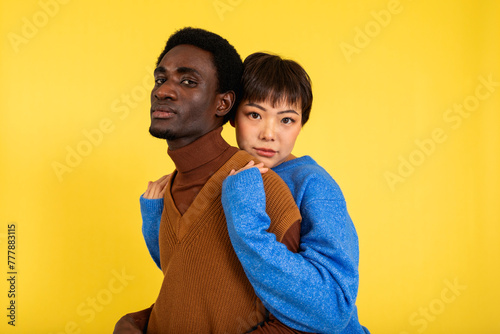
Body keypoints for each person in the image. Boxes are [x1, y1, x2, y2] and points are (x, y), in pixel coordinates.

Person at [141, 52, 370, 333]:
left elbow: (332, 309)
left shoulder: (313, 185)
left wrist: (246, 220)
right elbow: (188, 271)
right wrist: (156, 218)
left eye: (286, 120)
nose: (269, 134)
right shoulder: (228, 173)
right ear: (231, 114)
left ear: (301, 124)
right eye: (254, 114)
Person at [114, 27, 307, 334]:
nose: (162, 90)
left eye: (188, 81)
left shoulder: (262, 186)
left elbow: (298, 321)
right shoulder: (166, 190)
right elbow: (187, 295)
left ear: (223, 104)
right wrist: (137, 323)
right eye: (161, 78)